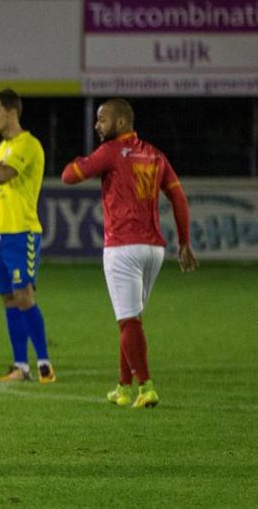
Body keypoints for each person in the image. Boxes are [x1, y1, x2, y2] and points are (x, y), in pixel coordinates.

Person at [61, 98, 198, 408]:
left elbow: (69, 176)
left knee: (128, 322)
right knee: (132, 319)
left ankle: (146, 386)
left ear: (121, 122)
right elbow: (178, 198)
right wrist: (185, 243)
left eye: (102, 120)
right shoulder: (154, 154)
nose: (97, 125)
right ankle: (123, 387)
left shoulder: (110, 152)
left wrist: (79, 161)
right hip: (154, 250)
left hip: (122, 248)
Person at [0, 89, 55, 383]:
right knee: (8, 298)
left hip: (22, 232)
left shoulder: (27, 145)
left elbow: (1, 176)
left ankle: (45, 363)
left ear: (11, 112)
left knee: (24, 296)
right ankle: (21, 366)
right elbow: (1, 190)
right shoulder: (2, 148)